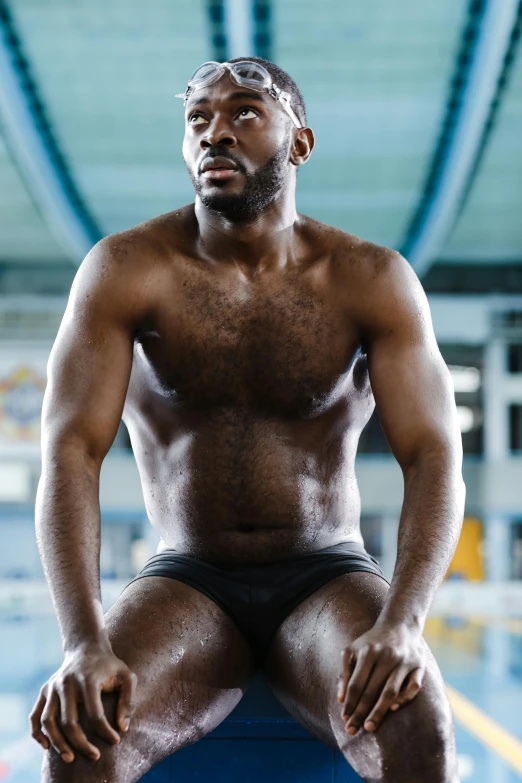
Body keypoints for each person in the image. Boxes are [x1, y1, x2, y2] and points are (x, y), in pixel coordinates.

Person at [30, 57, 464, 783]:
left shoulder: (369, 279)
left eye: (244, 113)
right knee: (82, 736)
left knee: (418, 723)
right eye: (198, 118)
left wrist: (404, 623)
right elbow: (71, 451)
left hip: (327, 570)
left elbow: (433, 454)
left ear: (300, 144)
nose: (215, 133)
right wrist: (82, 640)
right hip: (187, 575)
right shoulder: (127, 271)